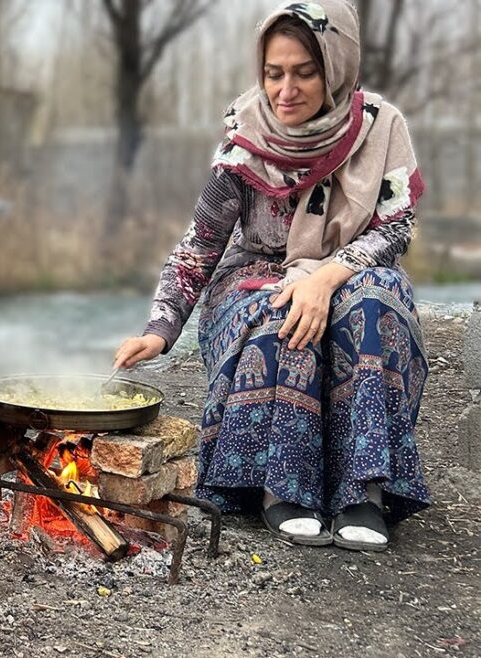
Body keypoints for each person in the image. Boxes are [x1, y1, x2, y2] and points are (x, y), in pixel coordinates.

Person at [113, 0, 428, 551]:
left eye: (305, 72)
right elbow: (200, 246)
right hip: (256, 275)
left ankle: (365, 491)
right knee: (282, 311)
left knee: (370, 303)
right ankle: (280, 485)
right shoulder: (243, 143)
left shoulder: (380, 127)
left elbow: (396, 227)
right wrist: (159, 329)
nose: (286, 90)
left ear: (335, 68)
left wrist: (329, 274)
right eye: (273, 73)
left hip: (356, 268)